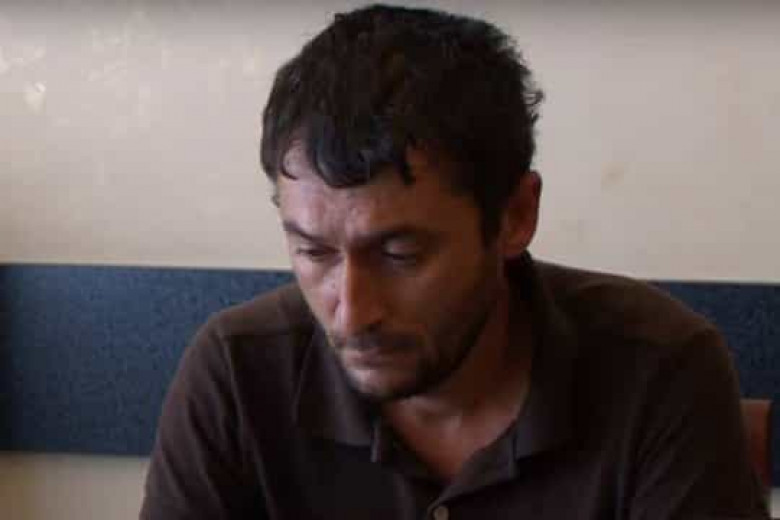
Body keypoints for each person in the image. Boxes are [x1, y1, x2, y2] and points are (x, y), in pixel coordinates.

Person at [140, 4, 769, 519]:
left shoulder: (661, 371)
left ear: (515, 216)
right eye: (313, 252)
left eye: (401, 253)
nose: (351, 313)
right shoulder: (236, 374)